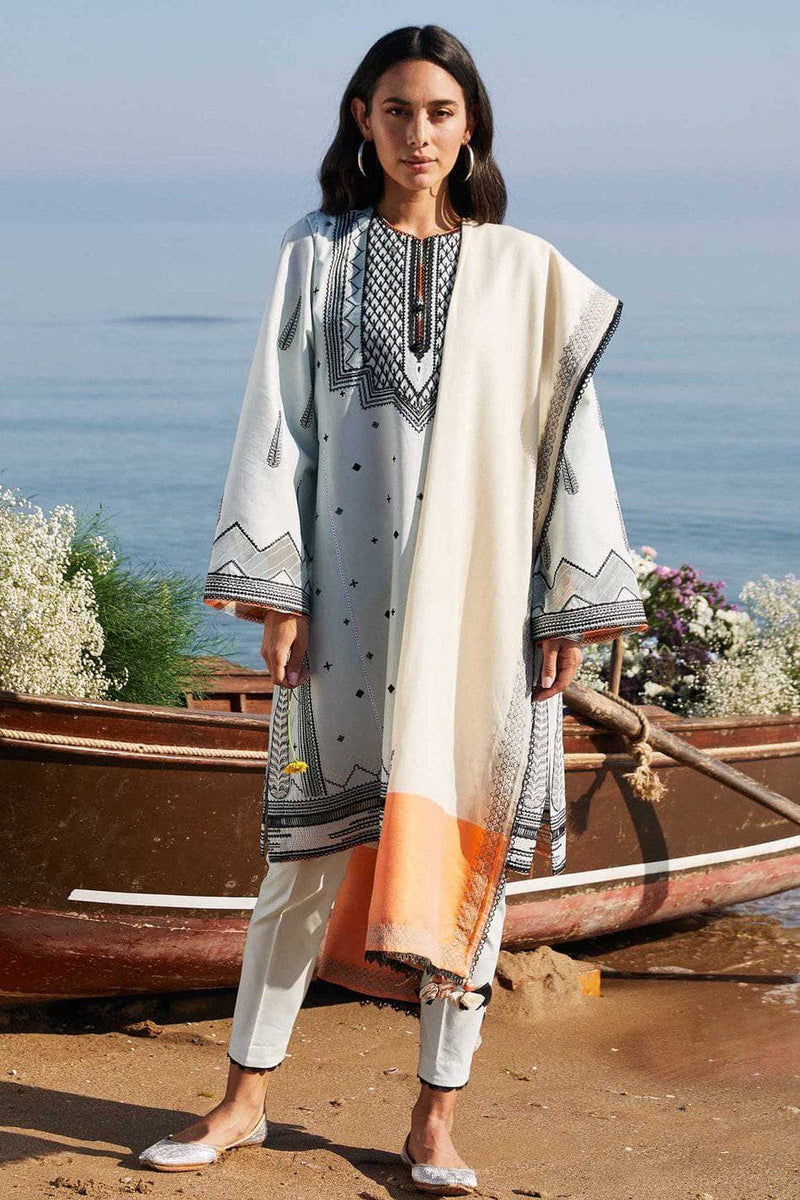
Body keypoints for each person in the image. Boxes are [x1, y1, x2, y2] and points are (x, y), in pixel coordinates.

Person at [138, 24, 647, 1195]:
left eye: (440, 112)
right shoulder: (316, 255)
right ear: (361, 122)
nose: (419, 133)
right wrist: (277, 593)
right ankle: (242, 1104)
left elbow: (569, 444)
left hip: (482, 614)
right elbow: (277, 419)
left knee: (468, 857)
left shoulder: (524, 272)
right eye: (397, 111)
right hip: (342, 607)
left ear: (470, 128)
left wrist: (566, 604)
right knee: (301, 857)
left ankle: (433, 1122)